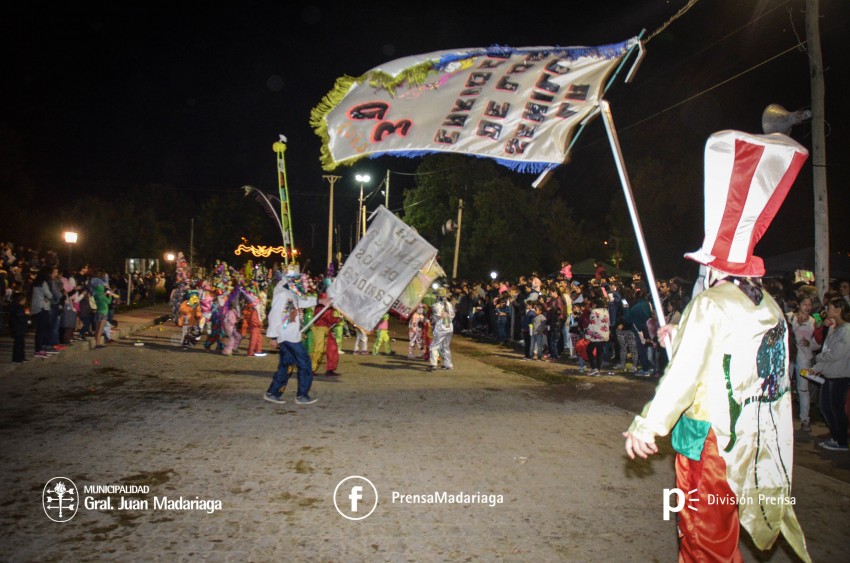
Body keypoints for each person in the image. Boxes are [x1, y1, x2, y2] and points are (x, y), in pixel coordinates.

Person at [623, 129, 809, 561]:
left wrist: (647, 425)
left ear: (714, 266)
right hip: (752, 440)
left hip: (709, 443)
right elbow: (737, 361)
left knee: (704, 541)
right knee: (721, 538)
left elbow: (686, 376)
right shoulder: (769, 305)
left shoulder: (710, 303)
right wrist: (680, 335)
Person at [264, 273, 321, 405]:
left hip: (289, 335)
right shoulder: (282, 295)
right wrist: (273, 336)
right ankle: (302, 395)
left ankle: (273, 392)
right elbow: (274, 315)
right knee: (305, 363)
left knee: (285, 365)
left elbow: (301, 302)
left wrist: (319, 301)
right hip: (288, 336)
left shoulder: (289, 294)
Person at [810, 297, 850, 451]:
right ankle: (836, 437)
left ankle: (841, 441)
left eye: (829, 308)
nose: (826, 310)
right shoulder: (835, 328)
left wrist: (819, 357)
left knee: (835, 408)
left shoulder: (846, 330)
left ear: (838, 310)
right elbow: (827, 349)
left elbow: (835, 354)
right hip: (829, 374)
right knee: (826, 408)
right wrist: (817, 367)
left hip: (839, 376)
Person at [789, 295, 820, 431]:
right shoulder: (789, 317)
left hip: (804, 357)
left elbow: (819, 342)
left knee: (803, 388)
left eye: (809, 304)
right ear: (798, 305)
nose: (807, 307)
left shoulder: (814, 320)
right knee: (785, 386)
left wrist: (810, 344)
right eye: (804, 304)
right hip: (789, 357)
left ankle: (805, 419)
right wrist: (795, 325)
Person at [428, 287, 455, 371]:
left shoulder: (436, 305)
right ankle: (448, 364)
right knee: (445, 346)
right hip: (449, 327)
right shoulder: (449, 304)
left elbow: (436, 317)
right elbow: (453, 315)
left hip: (441, 327)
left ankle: (433, 363)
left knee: (434, 345)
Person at [585, 296, 609, 376]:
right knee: (599, 352)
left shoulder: (594, 311)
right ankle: (597, 369)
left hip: (596, 335)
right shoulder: (606, 311)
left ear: (595, 304)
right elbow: (607, 322)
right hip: (604, 334)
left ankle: (594, 368)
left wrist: (587, 336)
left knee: (589, 350)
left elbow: (592, 324)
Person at [8, 292, 29, 362]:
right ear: (21, 300)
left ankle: (21, 357)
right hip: (19, 328)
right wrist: (27, 318)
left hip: (17, 328)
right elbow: (21, 317)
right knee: (19, 344)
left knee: (20, 343)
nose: (25, 301)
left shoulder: (15, 307)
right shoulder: (19, 307)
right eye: (24, 299)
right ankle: (17, 358)